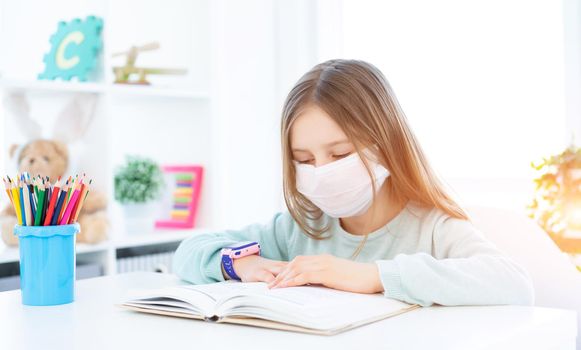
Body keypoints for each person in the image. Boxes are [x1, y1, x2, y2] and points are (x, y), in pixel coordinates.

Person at [173, 59, 534, 307]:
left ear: (386, 143)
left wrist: (374, 276)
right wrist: (241, 265)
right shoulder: (300, 228)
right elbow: (189, 250)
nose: (321, 171)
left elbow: (513, 282)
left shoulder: (432, 227)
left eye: (340, 153)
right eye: (304, 160)